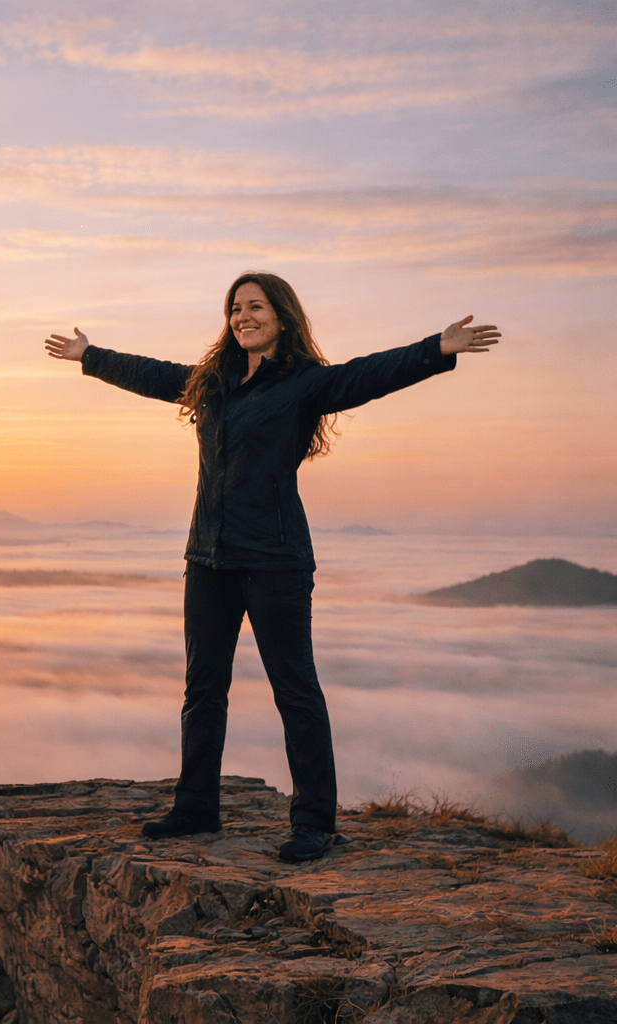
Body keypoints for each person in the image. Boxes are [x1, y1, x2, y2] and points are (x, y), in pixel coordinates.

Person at [44, 272, 500, 863]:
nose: (242, 317)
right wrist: (91, 355)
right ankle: (196, 807)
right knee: (202, 688)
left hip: (276, 561)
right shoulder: (213, 383)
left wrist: (434, 350)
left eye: (255, 307)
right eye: (235, 309)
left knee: (296, 692)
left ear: (281, 316)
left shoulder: (304, 384)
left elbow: (365, 374)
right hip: (208, 556)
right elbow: (154, 375)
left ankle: (314, 823)